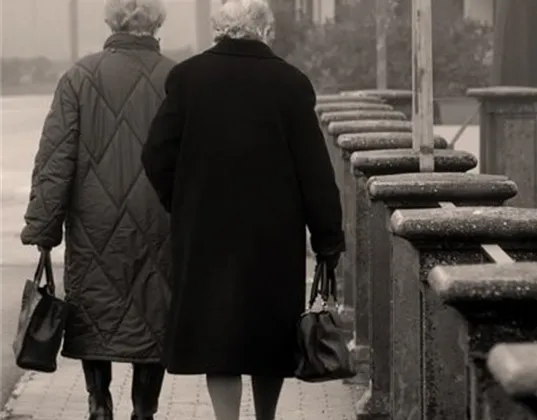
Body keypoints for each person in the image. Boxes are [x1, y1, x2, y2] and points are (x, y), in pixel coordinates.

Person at [140, 0, 344, 419]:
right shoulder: (290, 83)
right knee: (268, 333)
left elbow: (156, 153)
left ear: (219, 29)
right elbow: (315, 171)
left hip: (206, 231)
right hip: (273, 234)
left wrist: (182, 202)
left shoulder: (188, 78)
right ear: (265, 30)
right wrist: (328, 239)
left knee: (219, 335)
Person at [20, 1, 174, 419]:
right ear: (157, 20)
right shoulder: (176, 78)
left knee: (95, 309)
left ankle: (98, 401)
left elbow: (55, 159)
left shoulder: (79, 77)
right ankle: (144, 409)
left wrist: (43, 228)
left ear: (111, 19)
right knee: (154, 313)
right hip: (160, 221)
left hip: (93, 222)